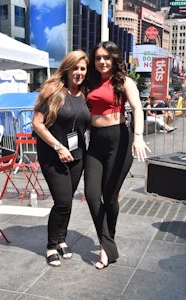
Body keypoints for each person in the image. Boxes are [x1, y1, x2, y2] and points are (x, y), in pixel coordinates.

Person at [84, 41, 151, 270]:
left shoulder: (124, 81)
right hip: (96, 142)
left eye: (106, 57)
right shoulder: (90, 82)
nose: (102, 61)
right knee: (92, 194)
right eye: (98, 58)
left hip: (119, 140)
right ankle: (108, 243)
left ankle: (105, 244)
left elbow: (137, 108)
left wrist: (139, 136)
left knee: (110, 197)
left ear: (114, 59)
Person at [32, 50, 90, 267]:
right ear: (67, 67)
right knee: (63, 201)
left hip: (77, 155)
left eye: (83, 68)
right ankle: (50, 245)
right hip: (52, 155)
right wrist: (57, 147)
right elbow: (36, 123)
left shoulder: (84, 93)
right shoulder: (52, 89)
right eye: (75, 67)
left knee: (67, 201)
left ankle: (61, 239)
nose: (79, 72)